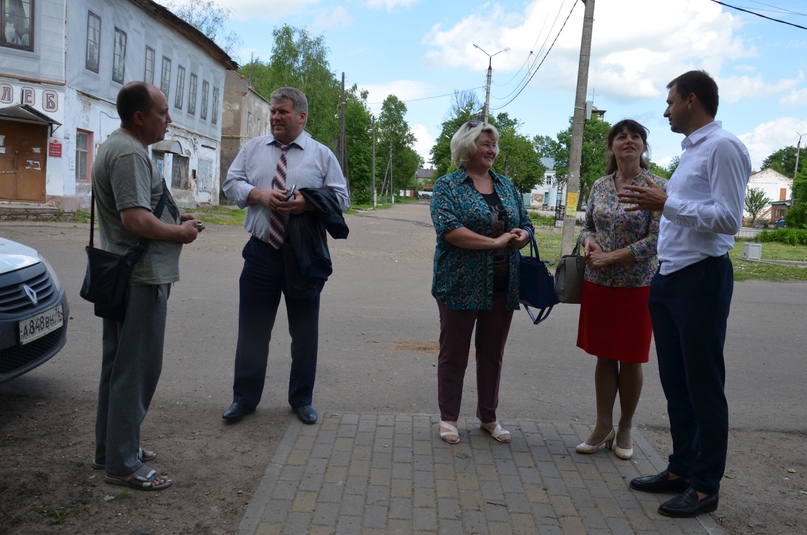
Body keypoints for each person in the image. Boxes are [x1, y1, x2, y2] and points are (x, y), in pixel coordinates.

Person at [619, 70, 751, 518]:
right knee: (677, 384)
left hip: (702, 279)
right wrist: (663, 199)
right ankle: (680, 469)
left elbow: (729, 218)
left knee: (704, 387)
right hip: (670, 277)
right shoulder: (691, 152)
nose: (665, 109)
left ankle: (706, 485)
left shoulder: (724, 147)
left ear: (692, 100)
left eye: (670, 100)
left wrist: (666, 203)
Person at [92, 82, 203, 491]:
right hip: (140, 278)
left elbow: (139, 211)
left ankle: (111, 449)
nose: (168, 120)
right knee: (135, 371)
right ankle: (121, 464)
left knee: (118, 367)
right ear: (139, 117)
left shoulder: (117, 147)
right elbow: (136, 220)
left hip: (125, 275)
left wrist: (175, 220)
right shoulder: (128, 153)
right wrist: (180, 233)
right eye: (163, 112)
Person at [222, 87, 349, 426]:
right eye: (273, 112)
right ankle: (244, 399)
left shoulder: (321, 155)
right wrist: (258, 194)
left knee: (305, 334)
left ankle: (301, 400)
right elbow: (231, 183)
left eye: (283, 112)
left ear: (302, 117)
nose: (275, 117)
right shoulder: (252, 149)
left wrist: (308, 203)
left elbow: (341, 197)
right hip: (261, 252)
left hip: (302, 257)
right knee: (252, 331)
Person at [430, 120, 532, 444]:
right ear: (467, 146)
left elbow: (526, 222)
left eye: (494, 145)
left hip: (503, 284)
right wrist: (496, 242)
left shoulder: (506, 186)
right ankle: (448, 419)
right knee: (454, 354)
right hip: (459, 282)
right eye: (485, 144)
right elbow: (449, 230)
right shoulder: (448, 186)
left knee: (492, 354)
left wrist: (521, 235)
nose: (491, 150)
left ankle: (488, 417)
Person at [574, 120, 666, 461]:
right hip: (598, 283)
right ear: (611, 148)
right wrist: (591, 242)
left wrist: (613, 256)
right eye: (621, 137)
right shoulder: (599, 185)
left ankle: (625, 427)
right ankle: (602, 426)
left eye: (635, 136)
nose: (628, 141)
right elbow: (589, 226)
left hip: (637, 285)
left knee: (631, 358)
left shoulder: (656, 186)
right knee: (604, 355)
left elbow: (657, 240)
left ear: (644, 146)